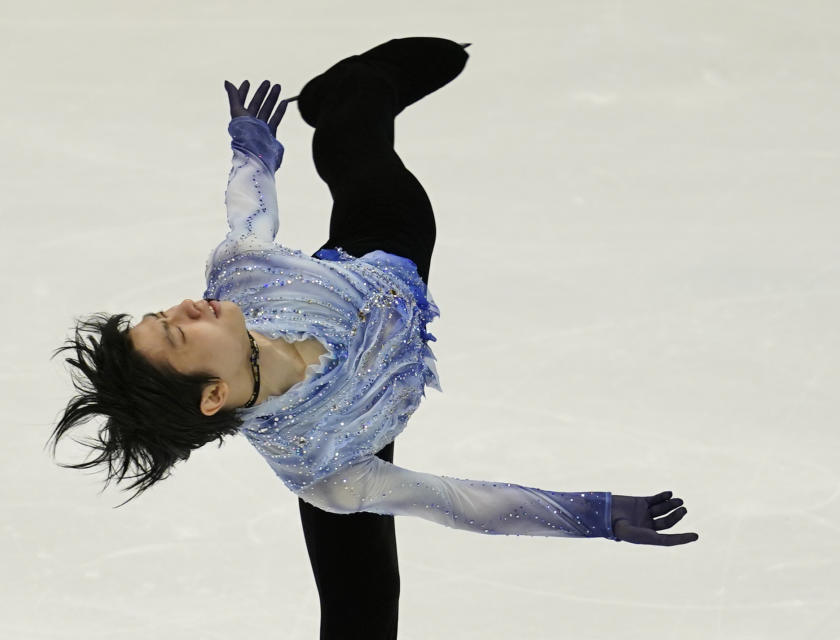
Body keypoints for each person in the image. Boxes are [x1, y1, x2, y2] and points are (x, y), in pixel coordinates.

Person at [50, 37, 699, 640]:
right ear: (213, 394)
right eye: (177, 332)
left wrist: (253, 147)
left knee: (353, 145)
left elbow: (251, 210)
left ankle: (353, 83)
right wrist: (592, 513)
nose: (186, 306)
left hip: (376, 256)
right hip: (353, 425)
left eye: (164, 313)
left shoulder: (238, 277)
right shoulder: (325, 469)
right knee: (361, 604)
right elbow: (459, 502)